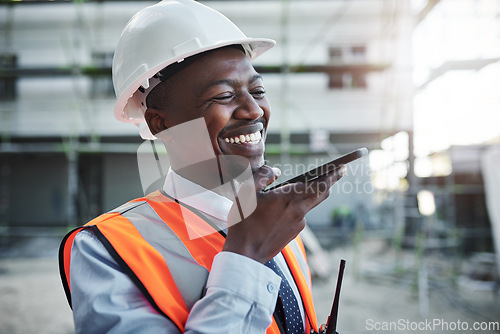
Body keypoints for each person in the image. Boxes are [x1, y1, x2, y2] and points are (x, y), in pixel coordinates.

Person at [59, 1, 346, 333]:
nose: (254, 111)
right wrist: (245, 257)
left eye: (258, 90)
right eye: (223, 96)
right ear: (160, 123)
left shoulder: (278, 221)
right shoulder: (108, 250)